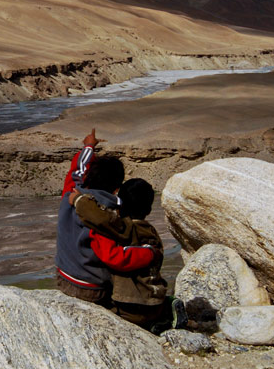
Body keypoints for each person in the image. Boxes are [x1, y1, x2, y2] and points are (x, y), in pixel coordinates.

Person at [54, 129, 184, 332]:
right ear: (116, 189)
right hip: (91, 289)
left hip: (62, 277)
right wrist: (150, 253)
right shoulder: (106, 217)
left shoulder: (70, 193)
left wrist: (88, 146)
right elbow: (113, 256)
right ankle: (157, 314)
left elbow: (77, 169)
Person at [70, 178, 182, 332]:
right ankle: (166, 312)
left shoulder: (120, 231)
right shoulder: (151, 232)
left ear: (119, 205)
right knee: (155, 308)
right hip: (156, 302)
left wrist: (94, 229)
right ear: (148, 210)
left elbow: (114, 255)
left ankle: (154, 323)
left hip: (130, 308)